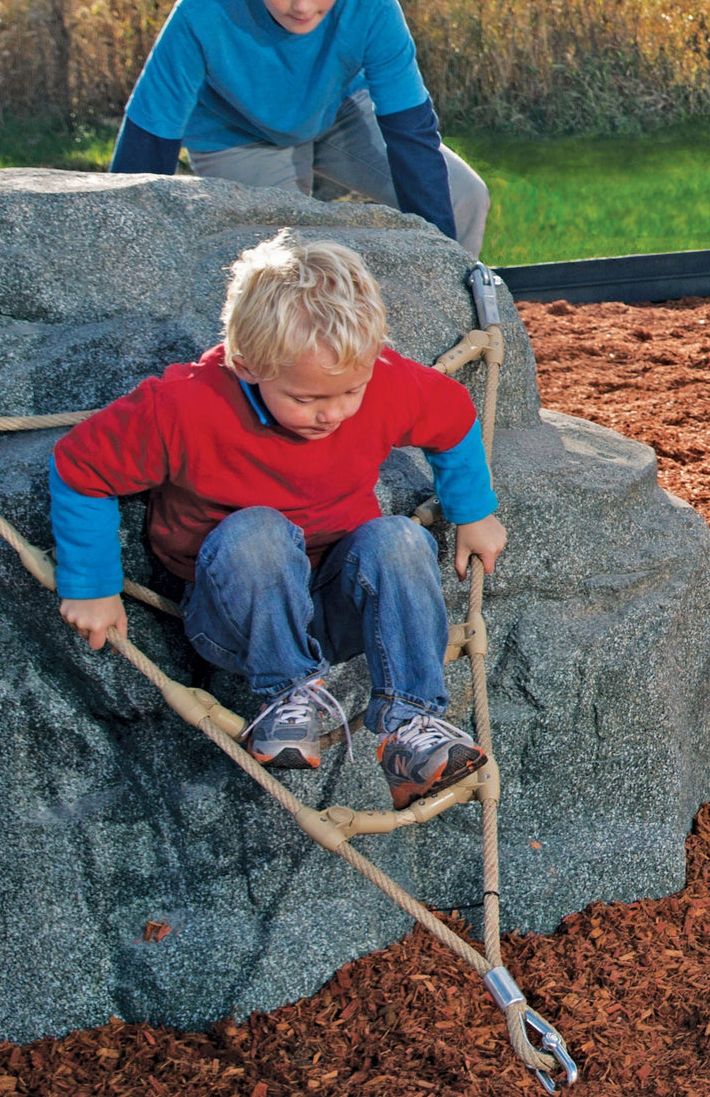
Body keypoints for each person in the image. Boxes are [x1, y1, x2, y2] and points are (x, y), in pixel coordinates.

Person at [49, 233, 507, 809]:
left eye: (351, 392)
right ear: (246, 364)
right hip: (238, 616)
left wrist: (474, 512)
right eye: (307, 398)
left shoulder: (384, 382)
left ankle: (412, 731)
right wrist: (90, 584)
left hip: (339, 608)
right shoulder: (182, 407)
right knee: (259, 530)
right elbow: (81, 467)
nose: (333, 413)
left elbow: (452, 416)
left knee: (400, 538)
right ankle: (287, 700)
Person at [108, 0, 490, 259]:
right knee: (286, 262)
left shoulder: (373, 7)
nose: (303, 7)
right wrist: (124, 245)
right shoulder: (201, 11)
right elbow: (148, 140)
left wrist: (443, 262)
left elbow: (411, 132)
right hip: (236, 132)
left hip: (337, 109)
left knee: (464, 199)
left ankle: (448, 331)